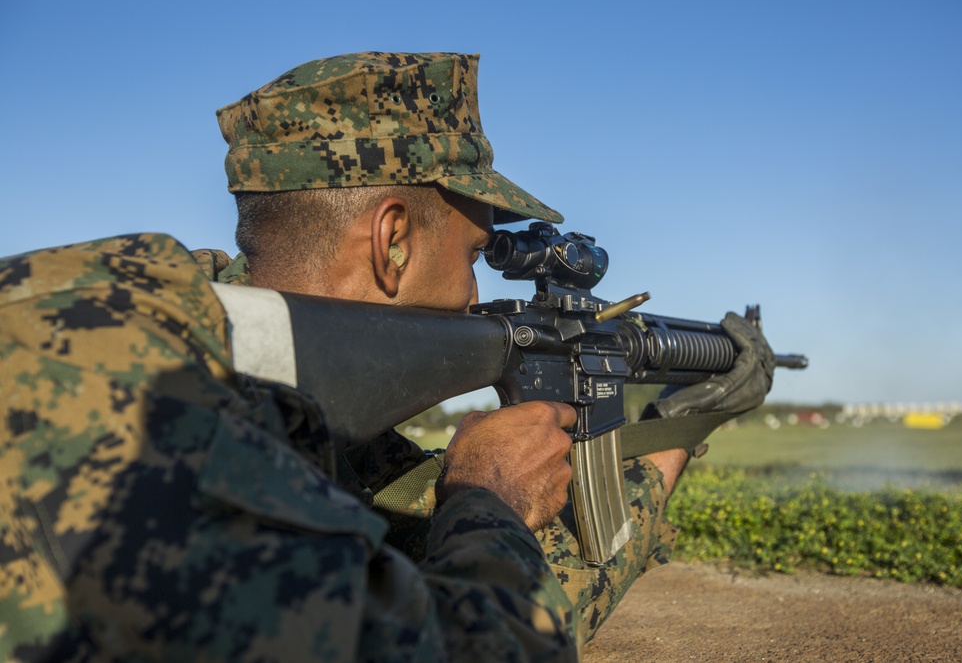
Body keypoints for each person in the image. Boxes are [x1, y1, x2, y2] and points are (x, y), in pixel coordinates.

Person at [0, 52, 775, 661]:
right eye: (477, 252)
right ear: (392, 240)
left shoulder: (232, 359)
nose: (477, 296)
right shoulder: (137, 409)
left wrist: (672, 427)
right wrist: (487, 496)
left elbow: (523, 594)